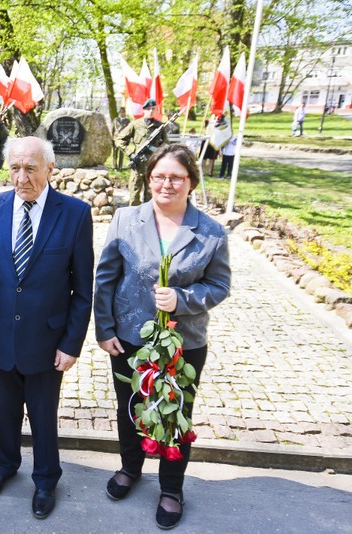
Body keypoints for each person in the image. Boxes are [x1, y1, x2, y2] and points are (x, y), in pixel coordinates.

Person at [93, 144, 231, 530]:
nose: (166, 184)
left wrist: (184, 299)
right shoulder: (125, 219)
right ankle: (130, 468)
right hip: (129, 337)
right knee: (132, 406)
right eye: (159, 176)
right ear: (148, 179)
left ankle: (171, 488)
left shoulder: (210, 232)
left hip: (183, 343)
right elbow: (105, 277)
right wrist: (104, 328)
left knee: (176, 414)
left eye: (176, 177)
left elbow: (219, 285)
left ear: (191, 181)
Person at [0, 136, 94, 520]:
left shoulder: (74, 213)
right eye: (15, 168)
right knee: (2, 409)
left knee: (42, 413)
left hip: (47, 339)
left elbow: (83, 289)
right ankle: (4, 466)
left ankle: (46, 479)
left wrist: (71, 343)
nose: (22, 177)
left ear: (50, 169)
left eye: (31, 168)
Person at [115, 98, 168, 206]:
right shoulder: (135, 125)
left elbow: (166, 145)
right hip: (138, 165)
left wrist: (159, 153)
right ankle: (133, 219)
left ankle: (148, 219)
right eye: (148, 109)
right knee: (134, 195)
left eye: (153, 109)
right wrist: (130, 153)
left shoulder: (160, 127)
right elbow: (119, 140)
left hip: (153, 166)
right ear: (144, 110)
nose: (151, 111)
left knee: (151, 196)